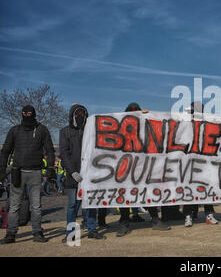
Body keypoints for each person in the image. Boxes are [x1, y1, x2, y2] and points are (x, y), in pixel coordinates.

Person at [0, 105, 56, 244]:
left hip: (36, 172)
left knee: (36, 206)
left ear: (34, 114)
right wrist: (2, 169)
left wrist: (50, 167)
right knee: (14, 205)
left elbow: (50, 150)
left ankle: (37, 232)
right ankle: (11, 234)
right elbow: (5, 150)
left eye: (29, 113)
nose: (27, 115)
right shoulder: (15, 130)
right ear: (22, 114)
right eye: (24, 113)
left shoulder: (42, 130)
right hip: (17, 172)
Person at [116, 102, 170, 237]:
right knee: (125, 195)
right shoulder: (121, 128)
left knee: (148, 193)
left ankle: (155, 220)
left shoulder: (144, 127)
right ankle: (124, 223)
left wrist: (149, 115)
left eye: (137, 112)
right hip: (126, 167)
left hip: (142, 166)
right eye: (131, 112)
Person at [60, 104, 106, 242]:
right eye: (77, 114)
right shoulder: (65, 132)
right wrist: (72, 171)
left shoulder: (91, 131)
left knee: (90, 204)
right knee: (73, 205)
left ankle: (92, 229)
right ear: (72, 115)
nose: (80, 117)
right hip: (73, 175)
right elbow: (64, 152)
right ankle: (71, 233)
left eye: (82, 114)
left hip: (89, 174)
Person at [183, 101, 219, 228]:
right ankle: (188, 216)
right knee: (189, 191)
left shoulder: (207, 124)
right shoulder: (186, 123)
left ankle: (209, 214)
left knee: (206, 190)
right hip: (189, 164)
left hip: (204, 163)